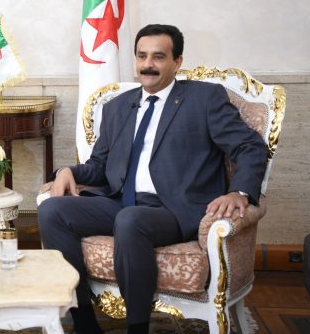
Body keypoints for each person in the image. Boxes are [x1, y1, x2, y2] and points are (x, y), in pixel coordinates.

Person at [38, 24, 268, 334]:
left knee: (131, 220)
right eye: (142, 56)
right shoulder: (118, 107)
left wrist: (239, 191)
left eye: (158, 57)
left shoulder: (204, 99)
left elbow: (250, 146)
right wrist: (68, 171)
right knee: (52, 210)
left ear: (177, 61)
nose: (148, 64)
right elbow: (100, 165)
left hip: (174, 209)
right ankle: (84, 322)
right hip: (120, 201)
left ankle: (137, 328)